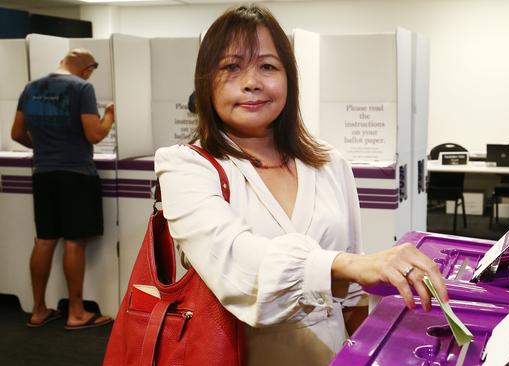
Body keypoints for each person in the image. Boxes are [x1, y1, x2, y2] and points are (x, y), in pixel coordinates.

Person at [154, 5, 448, 365]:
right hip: (235, 353)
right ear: (205, 82)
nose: (252, 82)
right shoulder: (187, 166)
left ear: (289, 78)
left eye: (267, 66)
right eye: (231, 67)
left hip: (330, 354)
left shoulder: (327, 162)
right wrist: (346, 265)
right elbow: (236, 261)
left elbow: (353, 297)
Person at [11, 49, 115, 330]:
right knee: (74, 241)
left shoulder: (31, 88)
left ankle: (38, 310)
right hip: (77, 173)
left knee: (44, 240)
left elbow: (17, 133)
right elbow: (94, 134)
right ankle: (77, 313)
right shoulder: (82, 88)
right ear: (86, 69)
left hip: (43, 173)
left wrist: (44, 148)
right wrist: (109, 116)